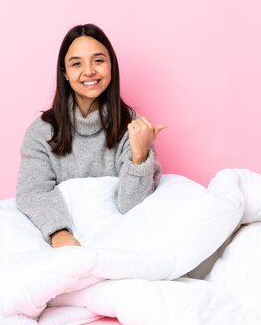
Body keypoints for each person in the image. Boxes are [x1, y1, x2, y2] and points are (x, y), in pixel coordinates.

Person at [16, 24, 165, 248]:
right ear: (65, 73)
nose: (89, 71)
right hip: (69, 238)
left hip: (119, 239)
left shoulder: (133, 127)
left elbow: (131, 208)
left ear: (111, 66)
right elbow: (33, 192)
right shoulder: (41, 132)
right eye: (76, 64)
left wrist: (140, 156)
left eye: (98, 60)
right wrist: (59, 233)